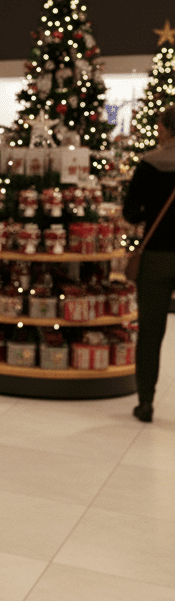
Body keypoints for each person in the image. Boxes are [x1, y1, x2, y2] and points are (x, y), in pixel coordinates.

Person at [122, 105, 175, 422]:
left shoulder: (148, 165)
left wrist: (151, 213)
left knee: (151, 333)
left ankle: (145, 402)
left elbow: (130, 213)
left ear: (166, 129)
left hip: (155, 255)